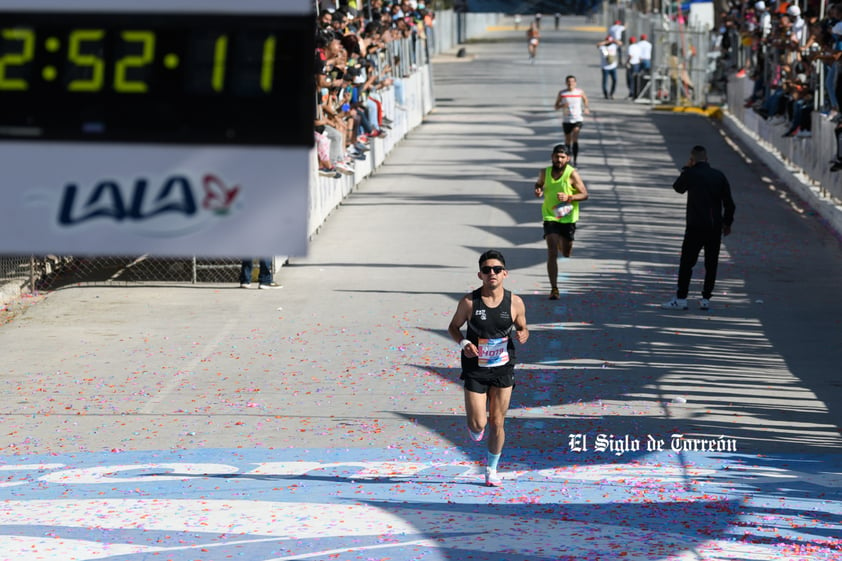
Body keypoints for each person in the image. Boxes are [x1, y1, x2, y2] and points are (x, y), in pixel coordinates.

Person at [447, 249, 529, 487]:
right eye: (486, 270)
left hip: (503, 367)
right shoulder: (469, 302)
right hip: (476, 367)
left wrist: (524, 333)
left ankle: (491, 470)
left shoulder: (515, 302)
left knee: (498, 421)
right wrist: (463, 342)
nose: (491, 273)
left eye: (496, 269)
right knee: (478, 424)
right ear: (480, 275)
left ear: (505, 273)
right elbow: (453, 327)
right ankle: (475, 427)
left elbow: (523, 326)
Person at [662, 146, 735, 311]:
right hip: (714, 227)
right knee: (711, 263)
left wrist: (687, 168)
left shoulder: (691, 174)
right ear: (707, 159)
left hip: (695, 226)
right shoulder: (719, 176)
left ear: (693, 159)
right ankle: (705, 299)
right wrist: (727, 223)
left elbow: (678, 188)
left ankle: (681, 299)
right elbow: (729, 204)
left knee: (687, 262)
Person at [534, 144, 590, 300]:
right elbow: (539, 183)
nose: (559, 160)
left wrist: (569, 197)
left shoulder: (572, 174)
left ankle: (561, 242)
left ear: (568, 159)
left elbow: (584, 194)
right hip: (550, 216)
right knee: (552, 251)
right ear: (552, 156)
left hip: (567, 217)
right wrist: (538, 189)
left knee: (566, 252)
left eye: (562, 157)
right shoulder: (545, 172)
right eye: (556, 156)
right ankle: (554, 288)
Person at [553, 75, 590, 166]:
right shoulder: (562, 93)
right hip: (567, 120)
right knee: (567, 140)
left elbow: (585, 100)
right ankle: (568, 160)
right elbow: (556, 106)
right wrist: (562, 105)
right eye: (569, 82)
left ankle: (575, 160)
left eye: (572, 82)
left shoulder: (579, 92)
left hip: (577, 118)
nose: (570, 84)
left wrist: (586, 108)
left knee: (575, 137)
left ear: (575, 83)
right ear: (566, 83)